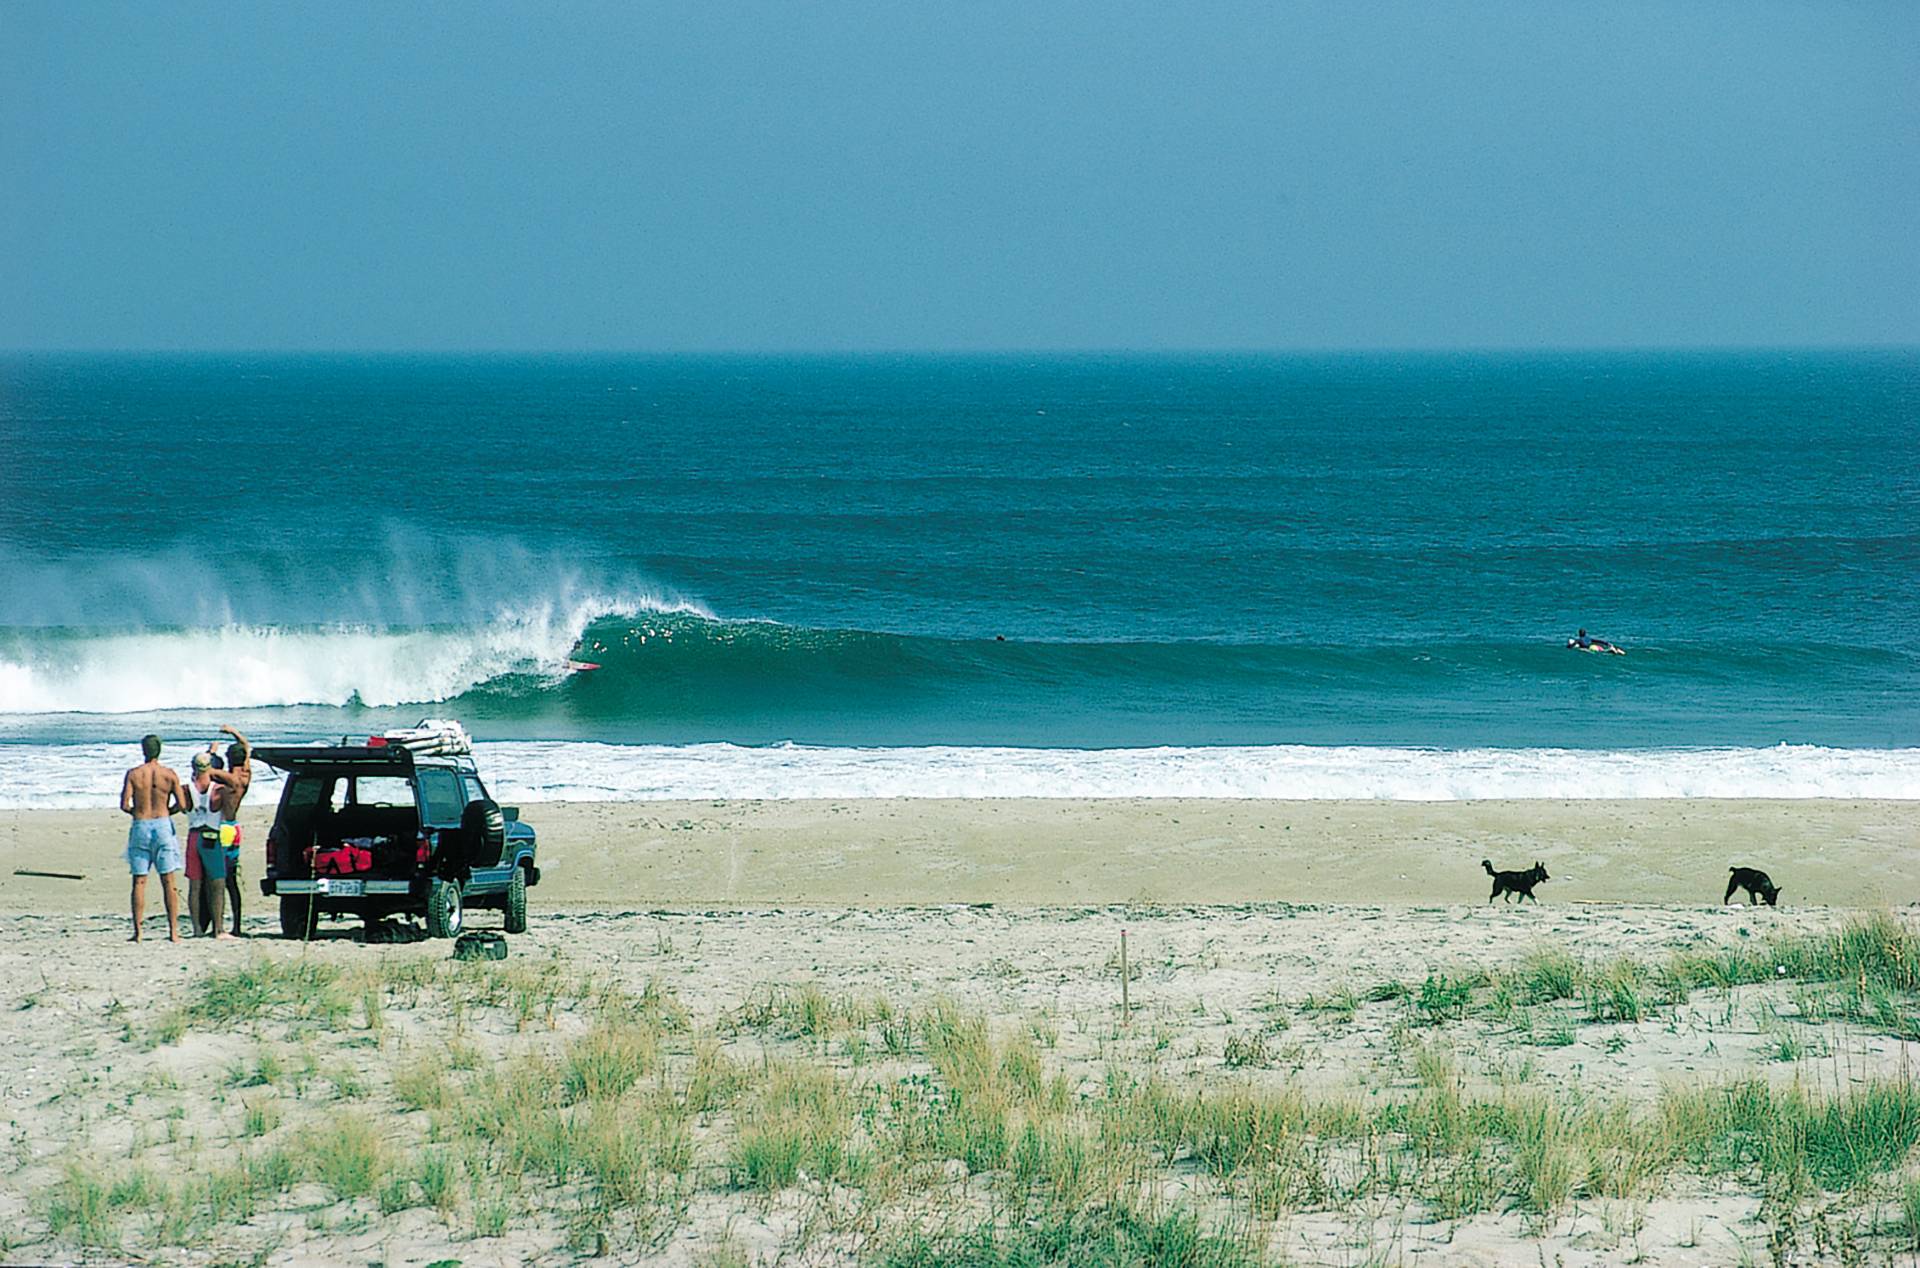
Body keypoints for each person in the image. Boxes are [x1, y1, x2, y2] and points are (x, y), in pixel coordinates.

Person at [120, 734, 188, 943]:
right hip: (162, 823)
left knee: (139, 881)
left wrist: (138, 813)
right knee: (168, 880)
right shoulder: (169, 774)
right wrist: (168, 811)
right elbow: (183, 805)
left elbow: (124, 804)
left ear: (143, 750)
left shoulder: (134, 774)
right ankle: (174, 932)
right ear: (160, 750)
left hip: (141, 824)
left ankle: (138, 932)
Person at [205, 724, 253, 937]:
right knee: (231, 880)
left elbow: (205, 769)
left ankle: (218, 925)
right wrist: (234, 731)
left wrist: (211, 752)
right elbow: (247, 746)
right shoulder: (245, 775)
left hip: (222, 828)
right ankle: (237, 926)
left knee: (217, 879)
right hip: (234, 828)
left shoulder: (227, 778)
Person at [186, 748, 234, 939]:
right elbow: (230, 813)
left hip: (193, 836)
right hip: (211, 835)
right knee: (217, 883)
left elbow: (179, 808)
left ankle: (197, 928)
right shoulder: (218, 790)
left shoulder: (186, 788)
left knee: (195, 885)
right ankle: (218, 929)